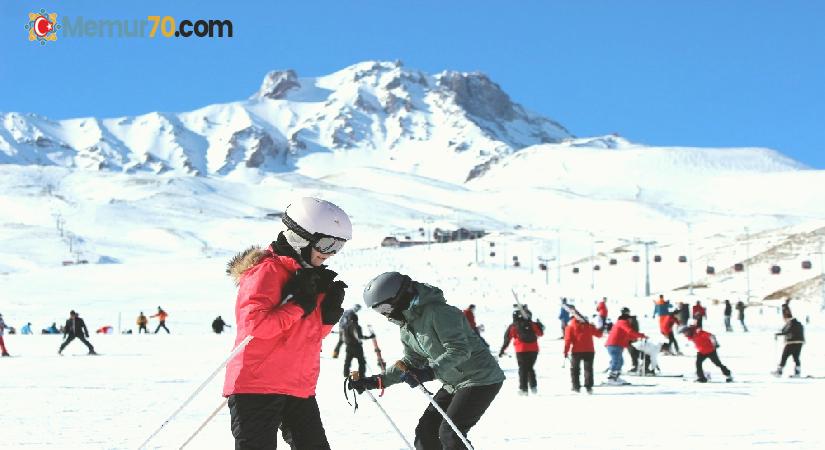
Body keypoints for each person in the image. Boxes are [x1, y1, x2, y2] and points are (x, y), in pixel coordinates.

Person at [223, 197, 351, 449]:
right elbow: (255, 326)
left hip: (298, 385)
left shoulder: (307, 277)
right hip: (257, 385)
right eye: (326, 243)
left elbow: (305, 335)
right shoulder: (266, 271)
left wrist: (326, 318)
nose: (330, 253)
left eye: (338, 246)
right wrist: (298, 305)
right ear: (300, 237)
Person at [352, 272, 505, 450]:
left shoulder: (440, 313)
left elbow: (459, 350)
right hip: (453, 383)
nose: (385, 314)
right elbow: (412, 360)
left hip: (480, 379)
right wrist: (377, 381)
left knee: (451, 434)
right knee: (426, 433)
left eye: (384, 308)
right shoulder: (407, 326)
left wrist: (430, 371)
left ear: (399, 297)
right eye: (379, 311)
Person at [500, 306, 545, 395]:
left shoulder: (514, 325)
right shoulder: (532, 324)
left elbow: (507, 338)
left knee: (523, 369)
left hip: (521, 349)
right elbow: (540, 333)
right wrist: (539, 325)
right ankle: (533, 387)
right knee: (530, 368)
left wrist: (503, 349)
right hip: (534, 349)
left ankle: (523, 389)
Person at [563, 306, 603, 393]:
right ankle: (589, 387)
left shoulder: (570, 327)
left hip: (576, 351)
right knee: (588, 369)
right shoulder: (588, 325)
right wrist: (600, 327)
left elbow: (568, 341)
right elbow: (599, 335)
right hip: (590, 351)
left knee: (575, 369)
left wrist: (565, 351)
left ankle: (576, 387)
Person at [605, 307, 646, 384]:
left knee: (620, 361)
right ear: (627, 319)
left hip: (616, 345)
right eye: (630, 320)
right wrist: (641, 335)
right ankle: (611, 378)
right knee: (616, 361)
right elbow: (630, 331)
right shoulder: (623, 322)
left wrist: (638, 337)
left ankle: (616, 377)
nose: (631, 322)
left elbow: (628, 335)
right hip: (614, 344)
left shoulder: (621, 323)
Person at [772, 309, 805, 377]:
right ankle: (797, 372)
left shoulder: (791, 323)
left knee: (784, 356)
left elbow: (786, 332)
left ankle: (779, 372)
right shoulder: (798, 323)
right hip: (800, 342)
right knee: (796, 357)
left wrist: (777, 334)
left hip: (791, 342)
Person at [342, 314, 374, 378]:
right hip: (357, 347)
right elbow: (360, 336)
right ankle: (362, 375)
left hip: (348, 347)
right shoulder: (357, 326)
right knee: (361, 362)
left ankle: (346, 375)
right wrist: (370, 337)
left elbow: (345, 337)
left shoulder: (346, 327)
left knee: (347, 362)